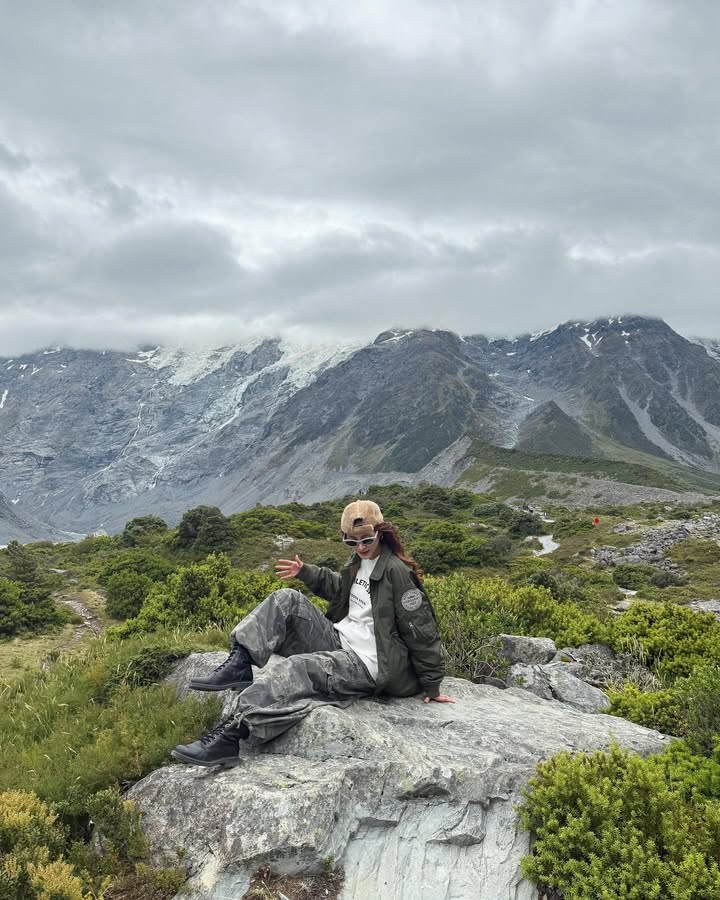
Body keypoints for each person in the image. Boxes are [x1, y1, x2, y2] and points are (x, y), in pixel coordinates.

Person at [172, 499, 455, 767]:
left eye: (367, 540)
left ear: (381, 533)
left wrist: (432, 684)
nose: (360, 547)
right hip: (341, 641)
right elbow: (341, 591)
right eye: (351, 541)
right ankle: (240, 663)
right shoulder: (357, 562)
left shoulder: (397, 572)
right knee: (287, 599)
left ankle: (231, 735)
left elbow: (422, 629)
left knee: (298, 668)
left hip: (369, 663)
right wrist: (305, 572)